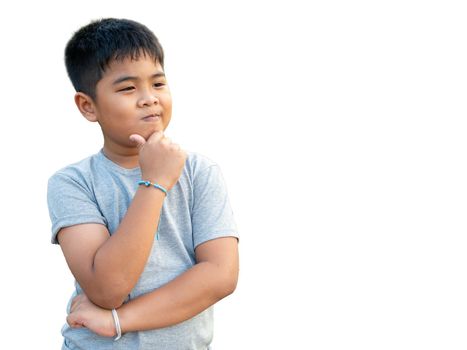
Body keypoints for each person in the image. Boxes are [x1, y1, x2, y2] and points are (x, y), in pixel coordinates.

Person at [47, 18, 239, 350]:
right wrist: (155, 181)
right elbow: (108, 288)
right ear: (88, 106)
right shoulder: (73, 183)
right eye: (128, 88)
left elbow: (221, 275)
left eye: (158, 84)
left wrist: (117, 321)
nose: (149, 98)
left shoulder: (200, 172)